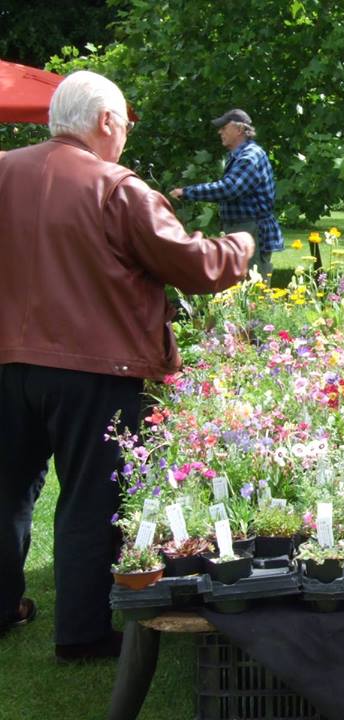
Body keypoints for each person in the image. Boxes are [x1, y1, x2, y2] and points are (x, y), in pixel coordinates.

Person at [0, 71, 253, 661]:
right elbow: (192, 264)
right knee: (90, 498)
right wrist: (239, 246)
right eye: (124, 125)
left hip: (7, 359)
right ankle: (83, 633)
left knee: (6, 489)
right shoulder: (117, 187)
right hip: (94, 368)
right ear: (106, 122)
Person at [171, 108, 283, 276]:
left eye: (224, 127)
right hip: (243, 228)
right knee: (239, 288)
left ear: (239, 130)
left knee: (251, 288)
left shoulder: (249, 157)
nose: (220, 131)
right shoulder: (240, 155)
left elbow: (229, 189)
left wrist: (187, 192)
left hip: (251, 230)